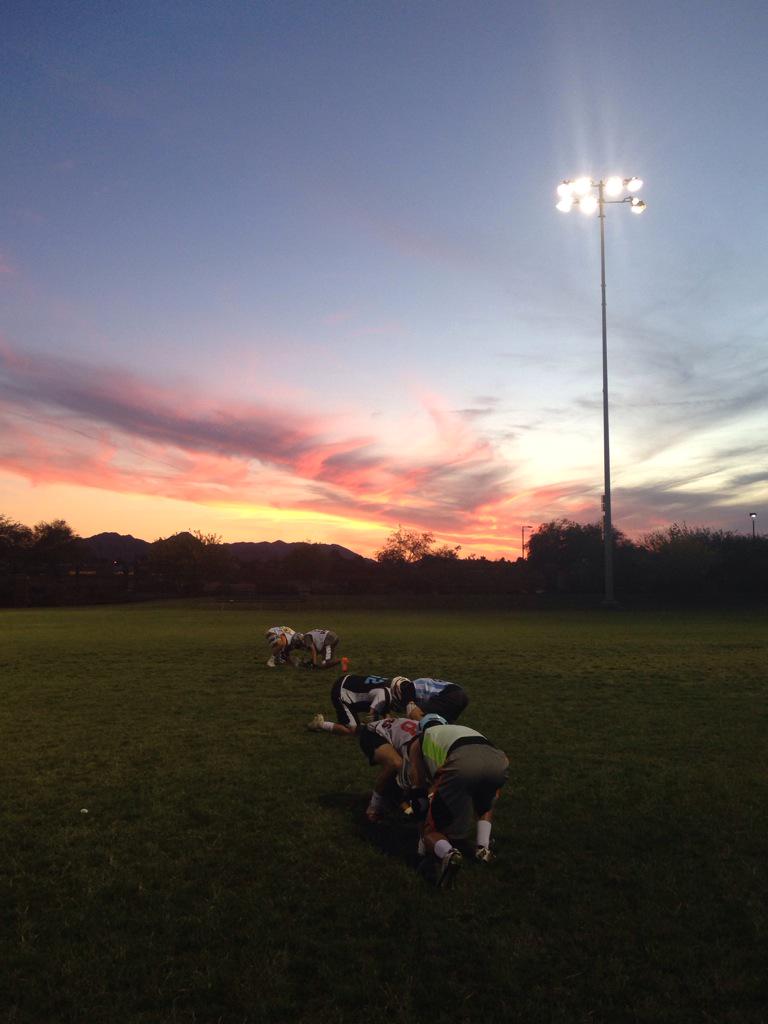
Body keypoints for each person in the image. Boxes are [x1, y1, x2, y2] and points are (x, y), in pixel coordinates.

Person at [407, 714, 509, 888]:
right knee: (484, 801)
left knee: (432, 828)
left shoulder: (420, 741)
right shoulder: (462, 729)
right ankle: (483, 848)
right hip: (499, 761)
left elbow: (419, 788)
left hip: (462, 763)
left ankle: (448, 854)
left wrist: (422, 828)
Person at [358, 716, 420, 821]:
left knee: (405, 775)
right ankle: (374, 806)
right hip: (373, 732)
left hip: (395, 731)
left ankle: (394, 799)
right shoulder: (414, 751)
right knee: (395, 764)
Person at [307, 673, 392, 736]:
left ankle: (357, 723)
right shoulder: (385, 694)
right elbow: (372, 716)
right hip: (343, 693)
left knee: (363, 727)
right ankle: (320, 724)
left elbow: (385, 709)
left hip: (349, 682)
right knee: (352, 731)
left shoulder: (390, 686)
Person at [390, 676, 468, 723]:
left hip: (449, 694)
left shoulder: (407, 688)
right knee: (442, 723)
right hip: (461, 695)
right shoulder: (418, 684)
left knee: (414, 714)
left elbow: (411, 711)